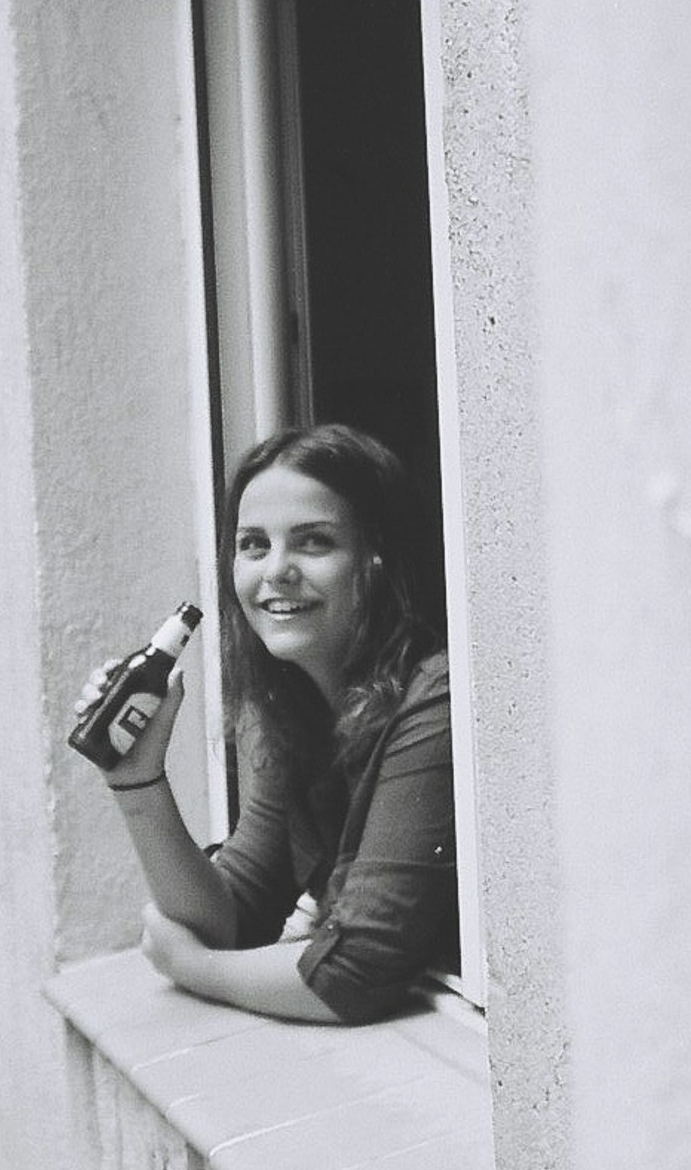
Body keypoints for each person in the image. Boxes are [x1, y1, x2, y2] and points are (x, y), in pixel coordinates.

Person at [70, 423, 457, 1023]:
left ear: (377, 559)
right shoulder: (287, 705)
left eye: (314, 543)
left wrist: (192, 967)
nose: (276, 570)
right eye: (253, 545)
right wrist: (136, 778)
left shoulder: (436, 697)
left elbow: (352, 973)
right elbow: (230, 914)